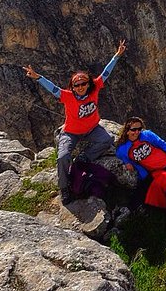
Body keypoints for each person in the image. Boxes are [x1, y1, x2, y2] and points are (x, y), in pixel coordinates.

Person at [23, 39, 124, 204]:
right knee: (63, 157)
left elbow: (106, 73)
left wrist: (117, 56)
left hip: (92, 129)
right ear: (73, 87)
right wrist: (38, 77)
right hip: (71, 132)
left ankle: (84, 158)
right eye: (77, 85)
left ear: (88, 84)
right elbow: (53, 88)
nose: (80, 87)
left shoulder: (95, 88)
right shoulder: (68, 96)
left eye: (83, 84)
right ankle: (64, 188)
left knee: (107, 140)